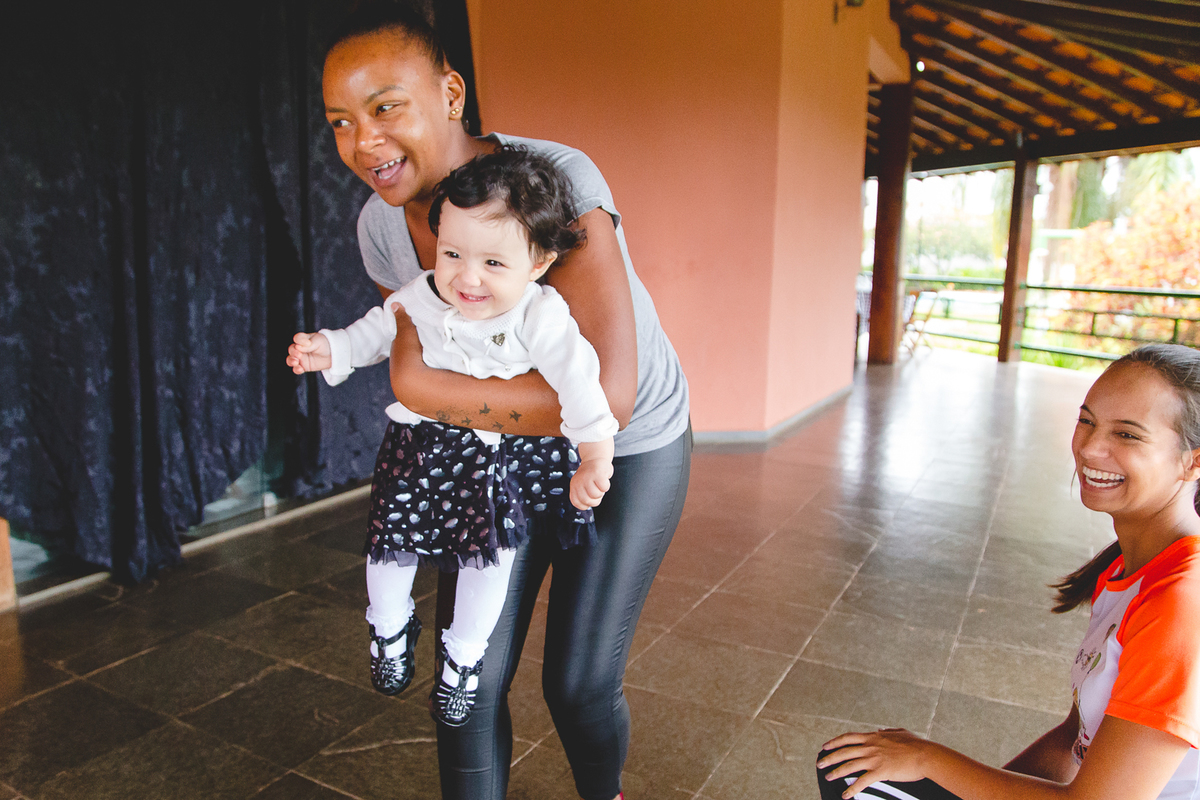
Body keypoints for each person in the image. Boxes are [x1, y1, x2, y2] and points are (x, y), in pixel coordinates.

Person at [317, 4, 691, 799]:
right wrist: (432, 392)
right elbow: (408, 365)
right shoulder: (381, 229)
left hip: (625, 450)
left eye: (385, 108)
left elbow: (608, 395)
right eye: (341, 122)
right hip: (494, 459)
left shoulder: (555, 177)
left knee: (578, 684)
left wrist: (430, 393)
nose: (364, 143)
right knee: (466, 692)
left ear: (450, 93)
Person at [286, 146, 619, 727]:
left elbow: (581, 382)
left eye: (494, 263)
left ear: (538, 262)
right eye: (453, 253)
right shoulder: (422, 292)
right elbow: (377, 328)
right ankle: (388, 626)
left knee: (488, 558)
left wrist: (594, 454)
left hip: (492, 458)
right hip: (419, 449)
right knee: (389, 541)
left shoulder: (539, 317)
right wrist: (331, 348)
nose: (467, 276)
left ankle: (462, 659)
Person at [816, 343, 1200, 800]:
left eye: (1128, 435)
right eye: (1087, 420)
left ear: (1193, 460)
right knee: (857, 770)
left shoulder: (1180, 603)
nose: (1091, 448)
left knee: (861, 781)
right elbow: (1072, 741)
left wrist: (927, 758)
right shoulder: (1129, 568)